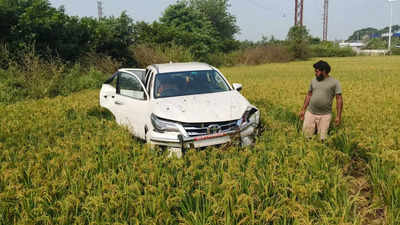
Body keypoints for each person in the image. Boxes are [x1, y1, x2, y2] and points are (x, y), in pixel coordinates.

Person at [299, 60, 343, 140]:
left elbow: (339, 99)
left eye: (317, 71)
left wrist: (338, 116)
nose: (315, 73)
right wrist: (303, 109)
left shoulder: (335, 83)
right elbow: (309, 95)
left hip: (325, 115)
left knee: (322, 139)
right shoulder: (313, 80)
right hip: (310, 113)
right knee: (306, 137)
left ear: (324, 71)